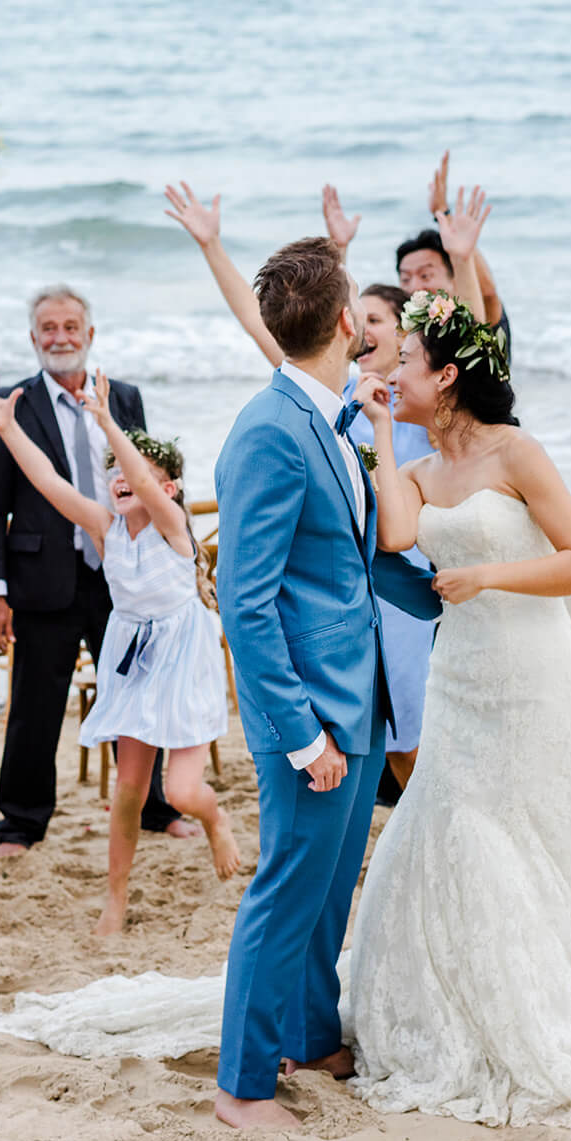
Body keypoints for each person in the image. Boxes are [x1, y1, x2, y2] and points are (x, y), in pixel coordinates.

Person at [347, 289, 571, 1131]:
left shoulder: (516, 453)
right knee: (446, 823)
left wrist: (487, 576)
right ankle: (443, 1001)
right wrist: (379, 428)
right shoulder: (412, 466)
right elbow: (400, 537)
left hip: (533, 674)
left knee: (519, 832)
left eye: (404, 359)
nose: (389, 366)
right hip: (460, 677)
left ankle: (533, 1003)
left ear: (445, 375)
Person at [212, 237, 441, 1129]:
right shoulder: (269, 428)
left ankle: (308, 1032)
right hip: (307, 714)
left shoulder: (328, 412)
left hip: (360, 700)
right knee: (285, 892)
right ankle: (242, 1083)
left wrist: (444, 592)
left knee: (328, 888)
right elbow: (247, 600)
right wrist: (300, 730)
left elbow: (345, 559)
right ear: (347, 322)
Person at [162, 183, 439, 802]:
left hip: (394, 609)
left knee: (414, 749)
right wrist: (213, 246)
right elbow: (247, 599)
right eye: (356, 314)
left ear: (403, 335)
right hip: (331, 652)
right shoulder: (307, 413)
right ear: (345, 325)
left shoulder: (423, 407)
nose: (363, 324)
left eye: (377, 317)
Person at [0, 371, 239, 935]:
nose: (121, 478)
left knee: (181, 792)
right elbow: (45, 480)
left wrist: (108, 422)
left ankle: (214, 819)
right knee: (129, 791)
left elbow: (137, 468)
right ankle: (115, 897)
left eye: (137, 475)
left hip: (182, 660)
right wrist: (9, 428)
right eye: (113, 472)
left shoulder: (172, 527)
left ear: (167, 490)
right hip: (134, 658)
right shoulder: (103, 527)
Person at [0, 285, 190, 854]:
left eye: (71, 326)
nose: (60, 337)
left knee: (136, 692)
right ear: (33, 338)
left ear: (89, 335)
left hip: (122, 577)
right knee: (34, 706)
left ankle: (153, 806)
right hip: (42, 577)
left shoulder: (121, 397)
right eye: (48, 328)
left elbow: (150, 475)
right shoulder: (10, 404)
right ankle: (20, 824)